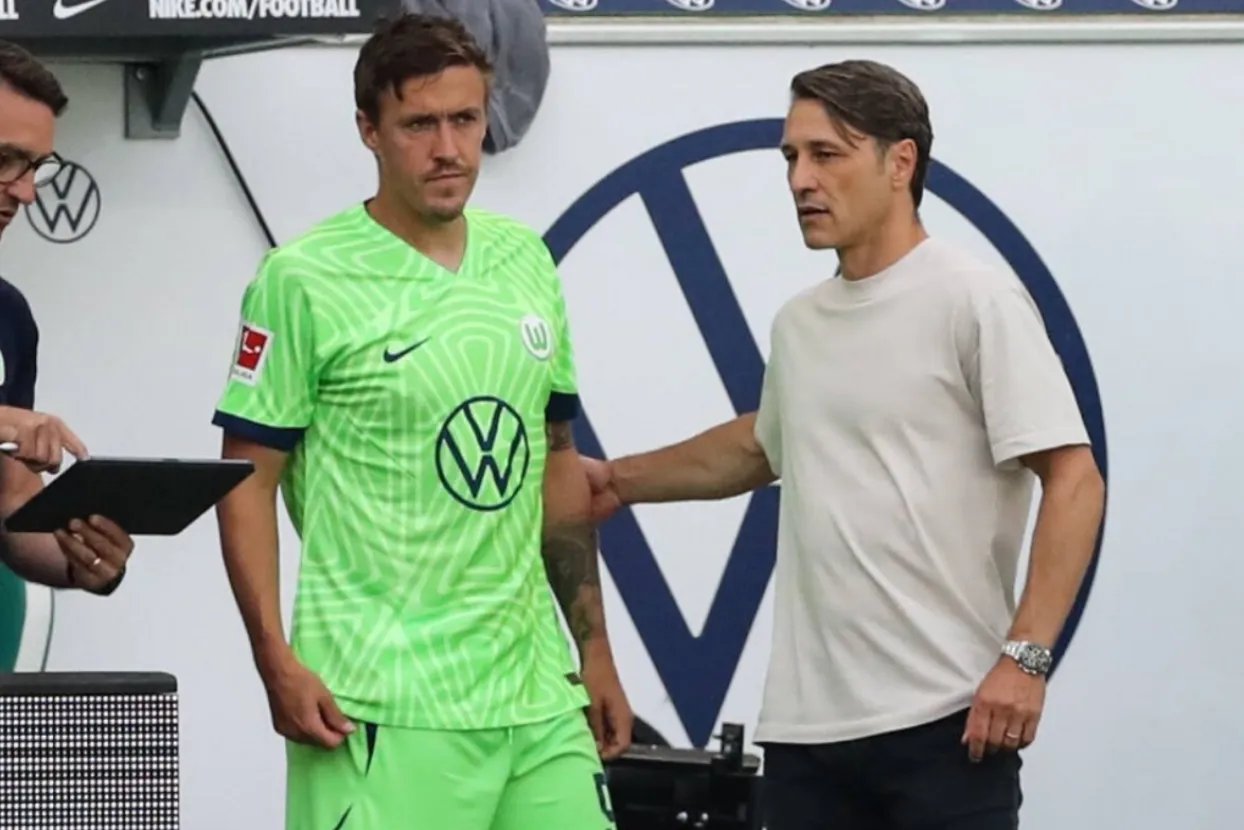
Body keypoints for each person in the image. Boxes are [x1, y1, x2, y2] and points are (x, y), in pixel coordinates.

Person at [584, 60, 1106, 830]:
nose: (800, 179)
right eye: (792, 157)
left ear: (901, 163)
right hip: (806, 740)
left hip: (947, 725)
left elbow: (1074, 478)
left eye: (827, 154)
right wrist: (617, 481)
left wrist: (1025, 659)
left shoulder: (975, 299)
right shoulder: (800, 323)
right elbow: (762, 446)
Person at [210, 14, 630, 830]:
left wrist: (595, 652)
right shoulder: (301, 278)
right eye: (419, 125)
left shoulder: (526, 261)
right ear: (369, 130)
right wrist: (273, 657)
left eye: (465, 120)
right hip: (379, 699)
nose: (448, 149)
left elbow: (555, 460)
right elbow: (246, 482)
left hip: (535, 694)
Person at [0, 41, 133, 598]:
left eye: (36, 168)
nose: (26, 192)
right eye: (5, 160)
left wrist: (80, 557)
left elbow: (11, 497)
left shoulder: (9, 315)